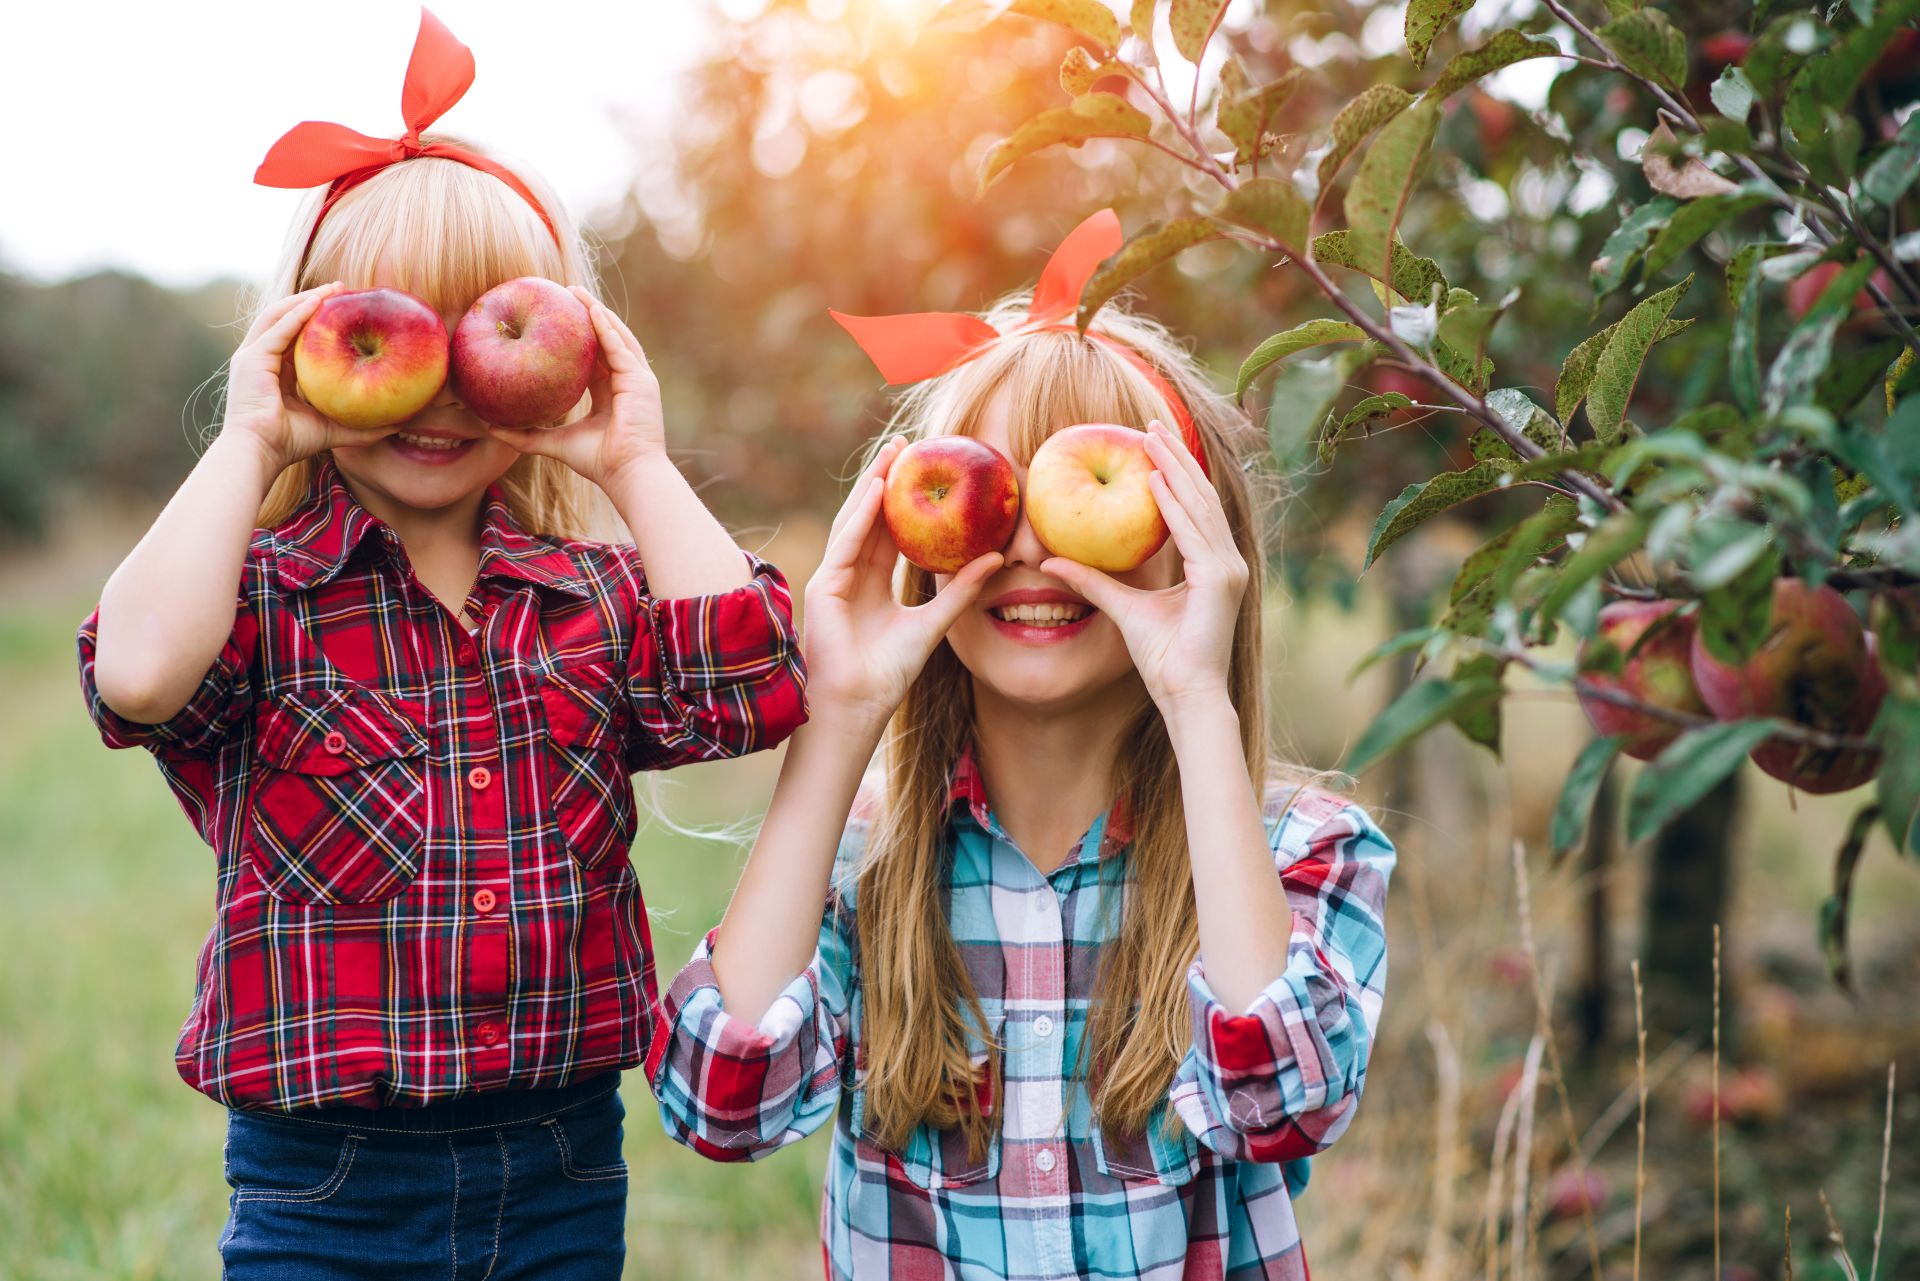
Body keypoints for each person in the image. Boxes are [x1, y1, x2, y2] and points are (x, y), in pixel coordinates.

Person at [73, 12, 805, 1278]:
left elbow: (753, 685)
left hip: (562, 1166)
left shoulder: (590, 595)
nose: (448, 381)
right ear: (306, 345)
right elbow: (135, 675)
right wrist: (250, 442)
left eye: (493, 331)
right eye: (388, 330)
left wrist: (634, 458)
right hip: (324, 1182)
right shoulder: (260, 601)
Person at [649, 210, 1394, 1280]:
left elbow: (1283, 1102)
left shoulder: (1297, 851)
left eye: (1090, 489)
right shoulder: (867, 861)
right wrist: (842, 715)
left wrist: (1197, 697)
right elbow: (720, 1103)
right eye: (993, 494)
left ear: (1197, 538)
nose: (1038, 546)